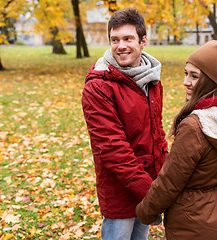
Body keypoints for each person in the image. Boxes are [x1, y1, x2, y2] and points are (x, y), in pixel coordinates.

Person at [136, 36, 217, 240]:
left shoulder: (195, 126)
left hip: (192, 223)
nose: (186, 82)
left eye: (194, 76)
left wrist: (145, 211)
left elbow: (170, 182)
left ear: (211, 80)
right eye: (186, 74)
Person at [81, 8, 168, 240]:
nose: (121, 46)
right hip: (121, 190)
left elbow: (157, 134)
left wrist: (165, 178)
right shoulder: (99, 86)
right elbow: (112, 148)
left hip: (148, 185)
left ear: (143, 41)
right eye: (114, 40)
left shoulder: (151, 79)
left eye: (128, 38)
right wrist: (152, 192)